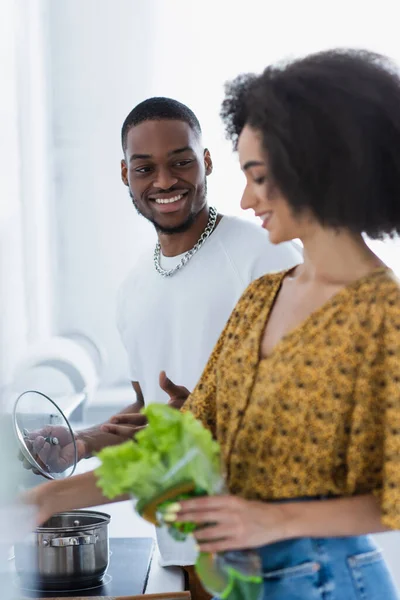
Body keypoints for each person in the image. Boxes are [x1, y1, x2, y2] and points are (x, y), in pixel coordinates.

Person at [27, 49, 400, 599]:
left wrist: (274, 520)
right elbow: (181, 441)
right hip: (241, 574)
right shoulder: (263, 298)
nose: (246, 199)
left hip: (328, 580)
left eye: (259, 177)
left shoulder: (380, 314)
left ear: (319, 172)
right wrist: (46, 499)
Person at [23, 97, 301, 600]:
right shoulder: (133, 289)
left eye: (181, 161)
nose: (165, 181)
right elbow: (154, 418)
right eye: (145, 167)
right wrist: (83, 442)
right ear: (125, 173)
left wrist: (207, 410)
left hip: (271, 546)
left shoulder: (265, 254)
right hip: (187, 552)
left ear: (207, 161)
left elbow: (304, 403)